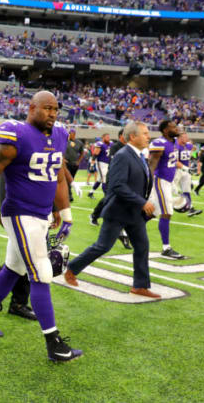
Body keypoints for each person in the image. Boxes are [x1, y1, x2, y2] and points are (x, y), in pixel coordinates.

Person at [0, 91, 81, 362]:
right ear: (31, 108)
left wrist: (65, 213)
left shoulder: (59, 135)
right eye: (47, 108)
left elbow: (58, 178)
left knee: (15, 268)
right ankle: (54, 344)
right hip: (19, 213)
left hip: (41, 214)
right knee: (41, 272)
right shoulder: (14, 134)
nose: (53, 114)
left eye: (56, 109)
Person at [65, 122, 159, 298]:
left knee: (142, 246)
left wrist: (146, 203)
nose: (149, 136)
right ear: (132, 136)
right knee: (103, 246)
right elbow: (117, 185)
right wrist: (141, 202)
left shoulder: (139, 155)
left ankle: (140, 286)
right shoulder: (123, 155)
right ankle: (71, 268)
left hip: (135, 213)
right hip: (118, 211)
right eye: (145, 133)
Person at [147, 120, 186, 259]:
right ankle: (166, 248)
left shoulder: (173, 143)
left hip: (168, 182)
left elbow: (172, 163)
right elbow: (152, 164)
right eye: (173, 127)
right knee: (167, 212)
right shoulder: (159, 143)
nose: (176, 129)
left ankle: (127, 228)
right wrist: (148, 183)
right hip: (159, 181)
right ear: (165, 130)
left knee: (154, 211)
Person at [89, 129, 132, 249]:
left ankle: (120, 230)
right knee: (111, 199)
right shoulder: (116, 147)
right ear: (121, 136)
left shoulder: (127, 147)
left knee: (115, 201)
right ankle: (118, 231)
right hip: (114, 177)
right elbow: (116, 163)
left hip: (125, 178)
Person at [175, 132, 201, 217]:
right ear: (180, 138)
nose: (187, 139)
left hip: (186, 171)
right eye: (185, 137)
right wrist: (187, 168)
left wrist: (193, 152)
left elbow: (193, 149)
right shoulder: (176, 146)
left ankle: (190, 208)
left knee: (187, 190)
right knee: (173, 190)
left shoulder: (187, 145)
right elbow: (175, 161)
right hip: (176, 171)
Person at [64, 128, 85, 202]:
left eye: (72, 133)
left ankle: (68, 194)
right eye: (69, 133)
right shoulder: (64, 141)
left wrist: (78, 161)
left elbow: (82, 153)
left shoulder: (79, 143)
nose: (70, 134)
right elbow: (59, 150)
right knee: (67, 179)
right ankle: (69, 196)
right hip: (66, 163)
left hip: (74, 164)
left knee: (71, 179)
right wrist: (63, 159)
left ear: (75, 134)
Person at [88, 133, 111, 199]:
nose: (109, 138)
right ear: (103, 137)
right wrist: (92, 165)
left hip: (108, 163)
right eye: (107, 137)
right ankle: (106, 196)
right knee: (104, 178)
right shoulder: (100, 144)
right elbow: (95, 154)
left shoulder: (110, 144)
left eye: (109, 137)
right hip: (101, 163)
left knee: (99, 180)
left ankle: (91, 192)